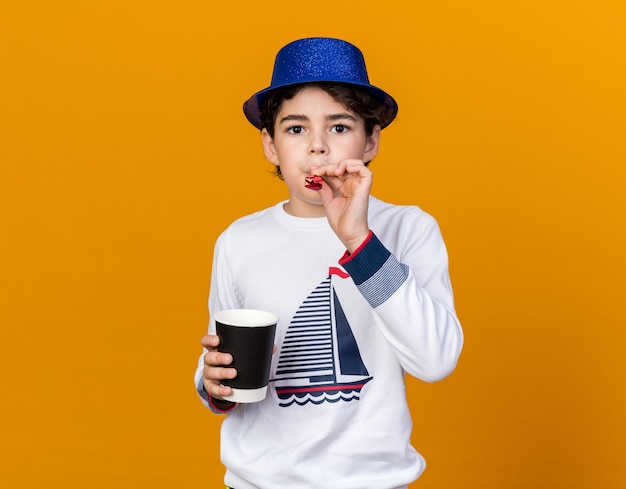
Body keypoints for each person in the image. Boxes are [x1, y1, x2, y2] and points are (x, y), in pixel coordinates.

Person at [194, 37, 464, 489]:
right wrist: (213, 385)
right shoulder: (239, 241)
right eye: (295, 129)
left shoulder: (407, 229)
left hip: (371, 481)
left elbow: (435, 360)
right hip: (258, 481)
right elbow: (223, 371)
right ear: (270, 145)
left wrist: (358, 240)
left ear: (371, 139)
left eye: (339, 127)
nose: (317, 148)